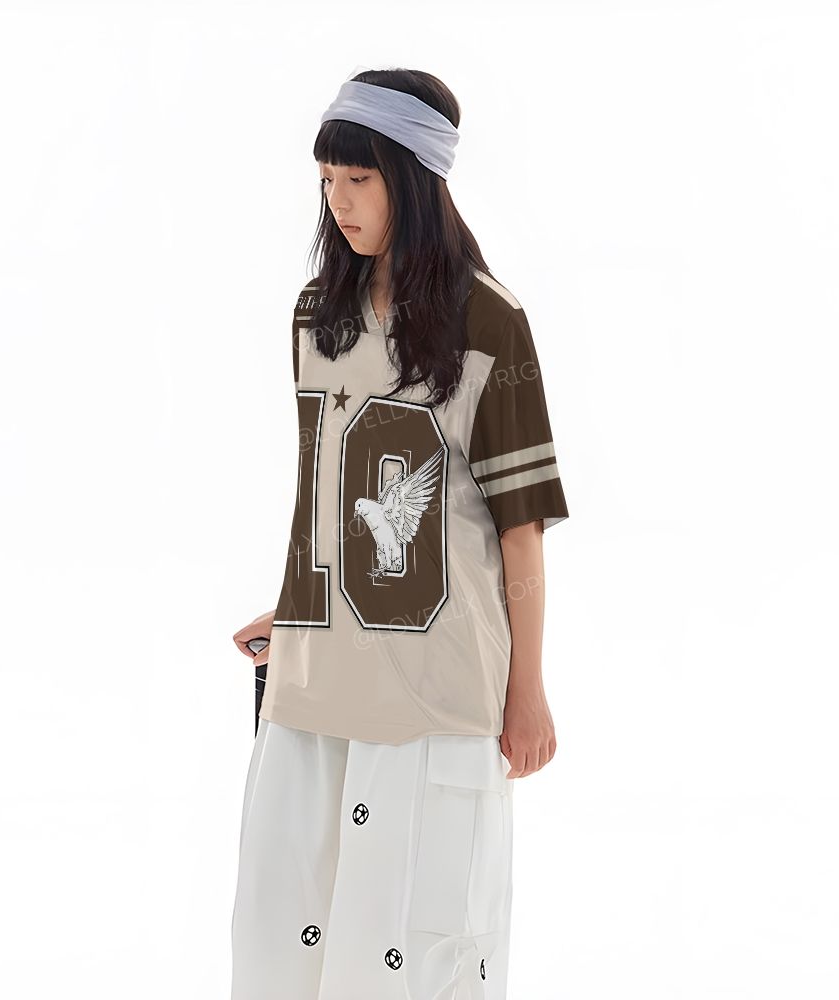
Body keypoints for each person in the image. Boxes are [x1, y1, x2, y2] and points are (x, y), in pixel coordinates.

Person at [230, 67, 570, 1000]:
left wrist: (527, 691)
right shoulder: (317, 315)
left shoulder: (488, 320)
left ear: (416, 179)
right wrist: (301, 605)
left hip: (434, 690)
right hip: (313, 681)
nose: (338, 202)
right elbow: (328, 491)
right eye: (326, 180)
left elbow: (520, 528)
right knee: (285, 941)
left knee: (415, 951)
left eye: (360, 178)